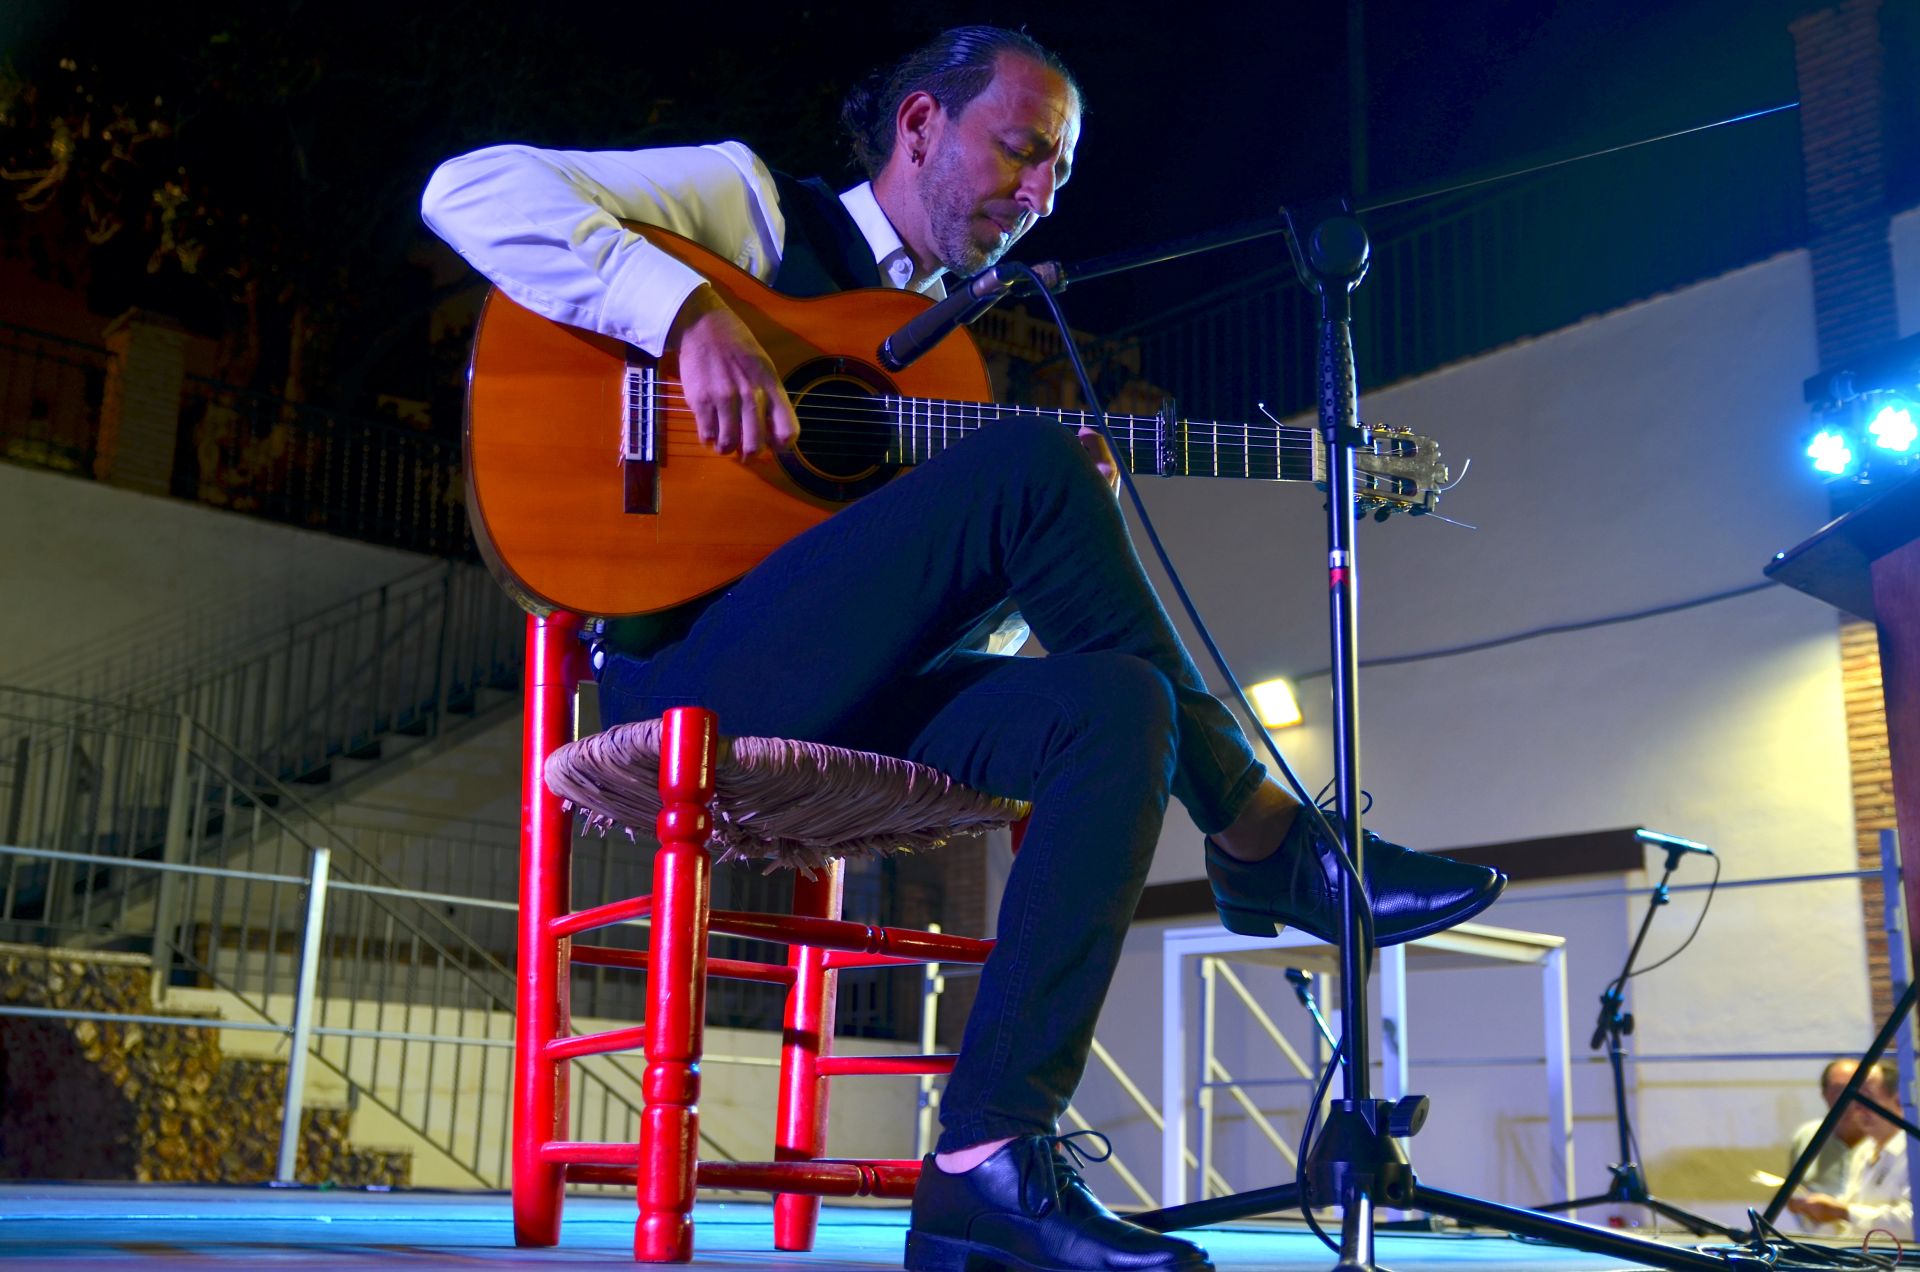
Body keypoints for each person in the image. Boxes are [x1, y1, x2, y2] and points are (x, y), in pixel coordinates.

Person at [422, 25, 1504, 1272]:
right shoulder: (752, 211)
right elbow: (468, 189)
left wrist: (1049, 520)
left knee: (1119, 703)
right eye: (1021, 150)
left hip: (853, 691)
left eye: (1060, 174)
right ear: (922, 123)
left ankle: (985, 1160)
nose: (1038, 194)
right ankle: (1265, 837)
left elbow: (938, 616)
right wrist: (687, 315)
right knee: (1031, 462)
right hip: (689, 677)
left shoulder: (947, 354)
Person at [1785, 1058, 1911, 1240]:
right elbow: (1849, 1220)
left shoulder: (1913, 1152)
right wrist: (1817, 1212)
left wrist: (1843, 1212)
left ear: (1898, 1100)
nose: (1856, 1108)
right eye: (1853, 1098)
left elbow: (1912, 1221)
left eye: (1867, 1098)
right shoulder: (1864, 1151)